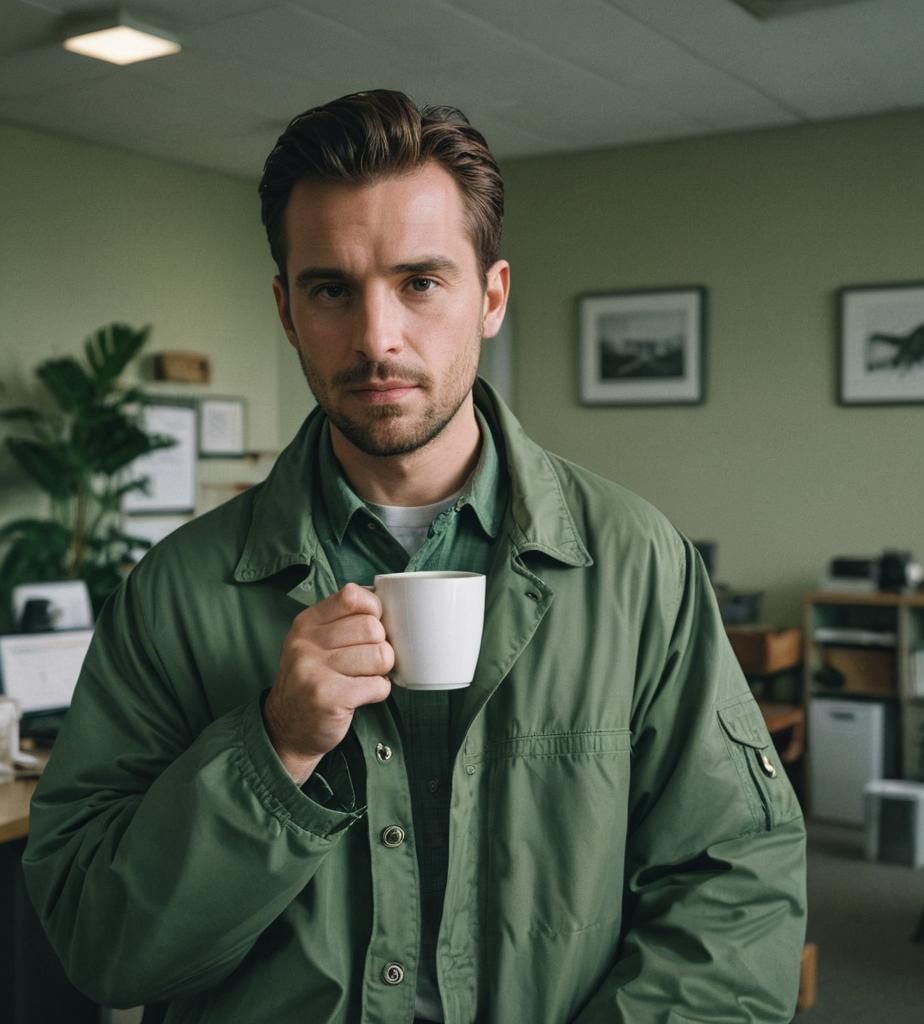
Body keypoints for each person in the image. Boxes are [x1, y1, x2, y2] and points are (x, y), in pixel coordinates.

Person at [24, 89, 807, 1024]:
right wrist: (273, 748)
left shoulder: (640, 566)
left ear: (492, 297)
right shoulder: (173, 594)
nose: (376, 338)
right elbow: (99, 943)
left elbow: (736, 893)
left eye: (420, 282)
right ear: (286, 311)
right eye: (331, 289)